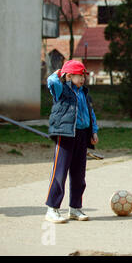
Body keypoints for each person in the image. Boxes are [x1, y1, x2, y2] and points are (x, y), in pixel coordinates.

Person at [45, 60, 99, 223]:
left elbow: (91, 113)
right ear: (69, 76)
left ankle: (75, 208)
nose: (82, 78)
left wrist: (94, 131)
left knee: (79, 174)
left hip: (82, 134)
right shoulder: (61, 90)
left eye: (83, 75)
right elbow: (51, 81)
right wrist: (60, 72)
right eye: (78, 75)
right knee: (60, 173)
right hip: (66, 134)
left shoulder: (84, 93)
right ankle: (52, 209)